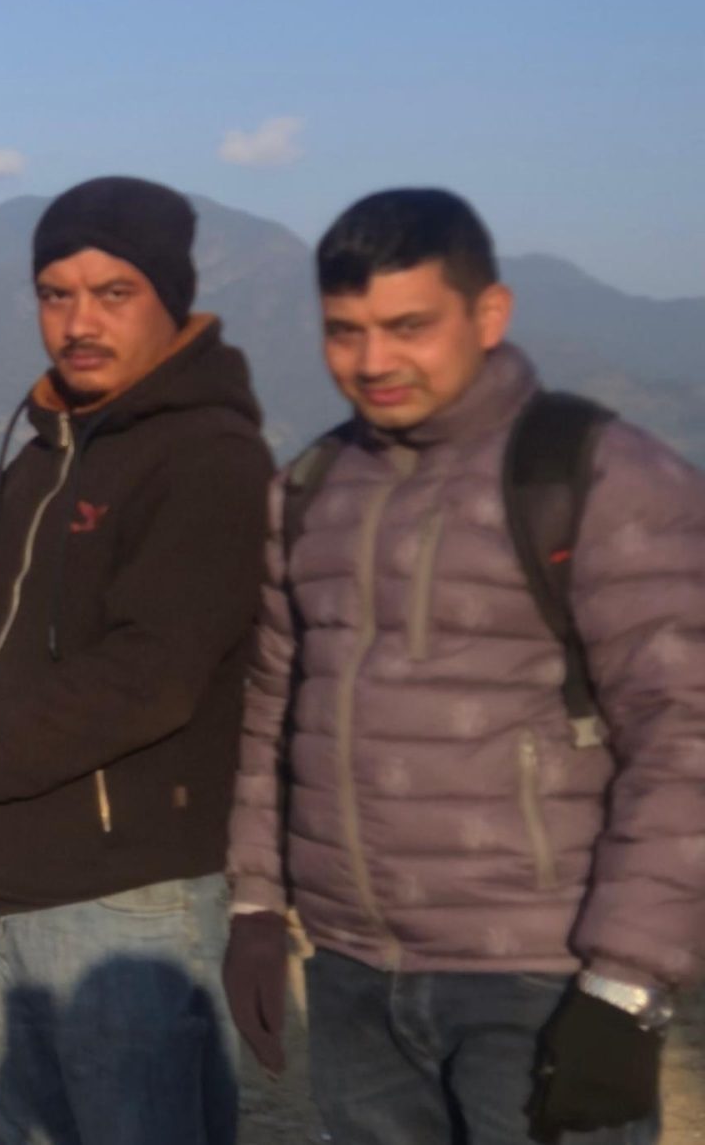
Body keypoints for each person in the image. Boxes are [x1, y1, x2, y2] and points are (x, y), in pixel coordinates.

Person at [223, 189, 705, 1145]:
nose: (373, 361)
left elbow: (684, 733)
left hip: (542, 972)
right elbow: (275, 704)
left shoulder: (597, 474)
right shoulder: (312, 487)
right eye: (345, 330)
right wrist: (254, 903)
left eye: (409, 326)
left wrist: (627, 983)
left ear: (490, 313)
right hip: (353, 972)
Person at [0, 176, 270, 1145]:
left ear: (171, 296)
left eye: (113, 293)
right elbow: (25, 641)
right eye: (56, 294)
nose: (80, 322)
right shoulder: (46, 452)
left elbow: (146, 675)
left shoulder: (208, 458)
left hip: (124, 903)